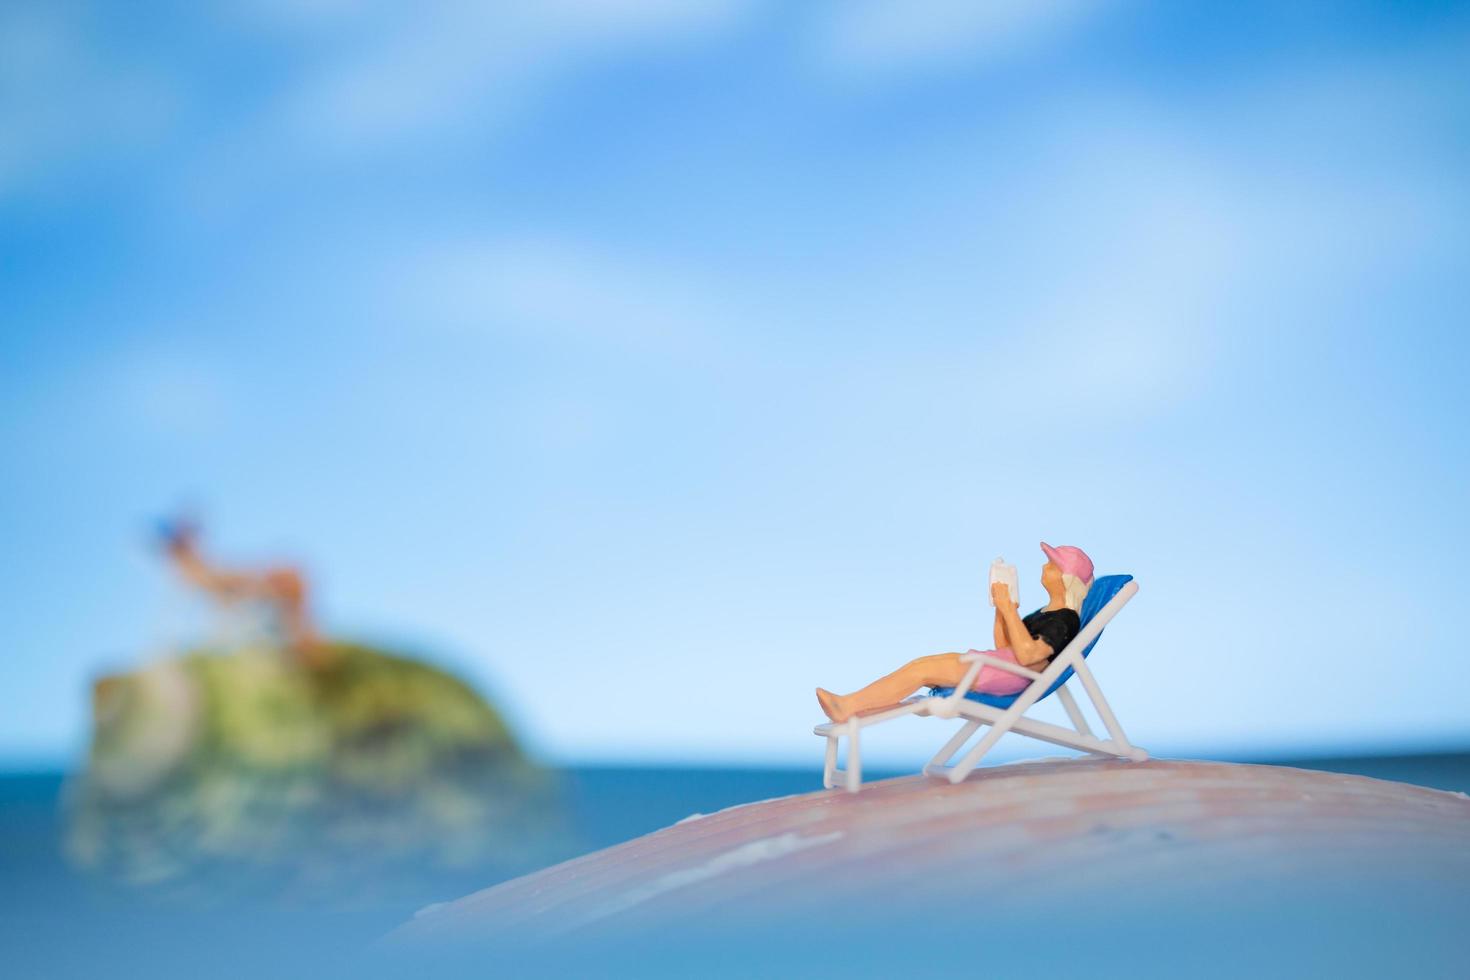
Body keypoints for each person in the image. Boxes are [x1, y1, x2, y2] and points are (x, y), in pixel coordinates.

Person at [815, 543, 1094, 724]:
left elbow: (1026, 655)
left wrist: (1009, 609)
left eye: (1053, 566)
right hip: (1000, 665)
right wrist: (1002, 610)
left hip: (1011, 675)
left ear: (1066, 578)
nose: (1046, 567)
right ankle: (851, 704)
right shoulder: (1043, 613)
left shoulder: (1065, 620)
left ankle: (847, 706)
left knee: (920, 672)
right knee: (921, 666)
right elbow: (1005, 646)